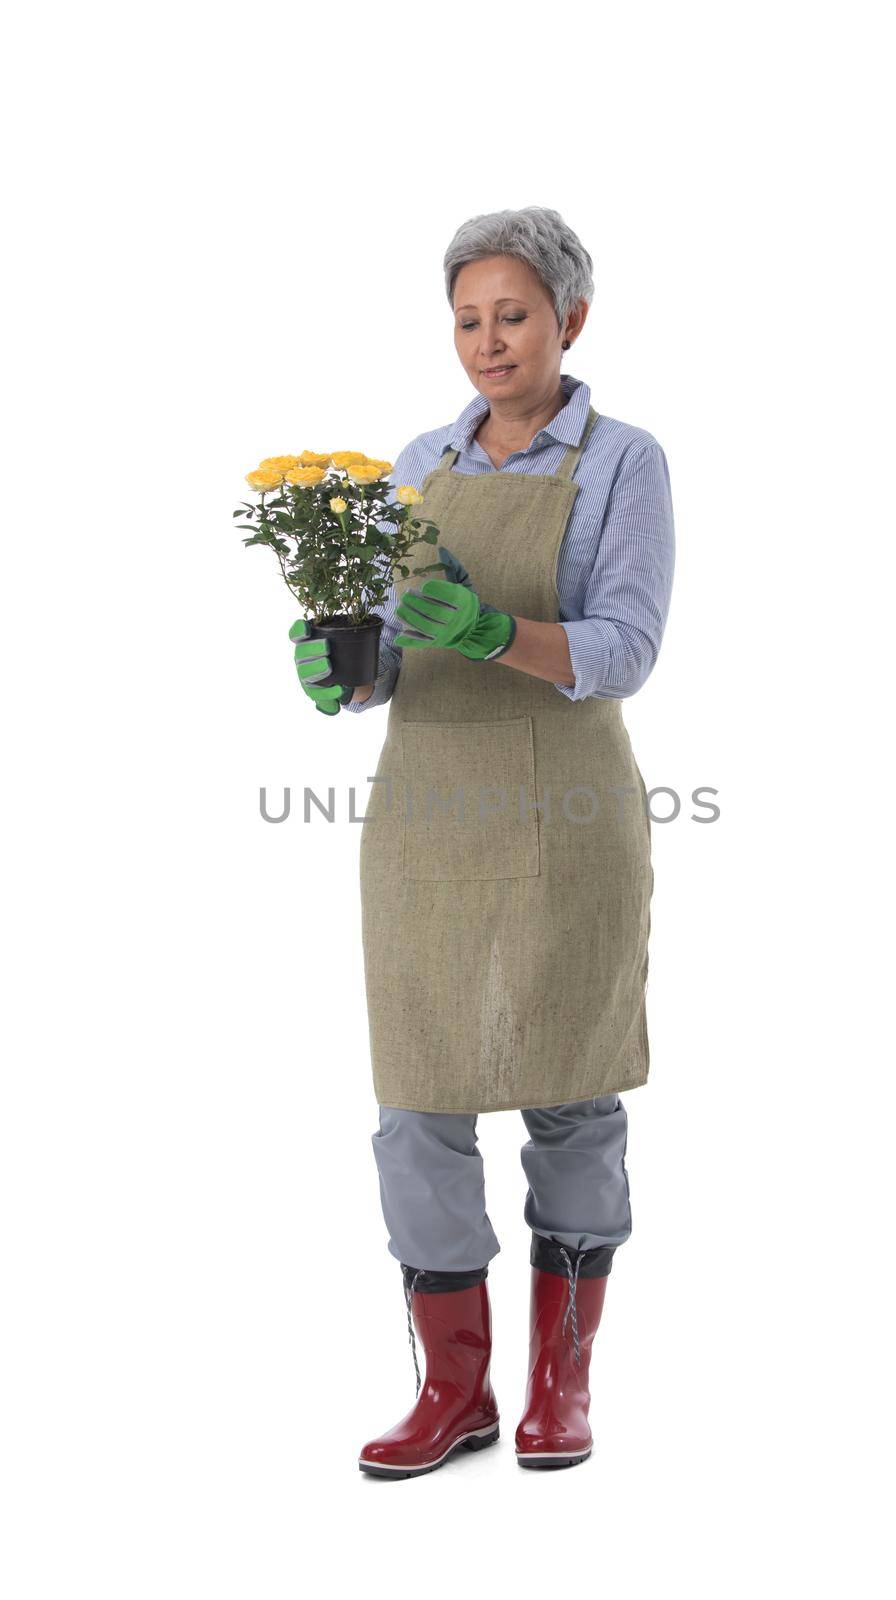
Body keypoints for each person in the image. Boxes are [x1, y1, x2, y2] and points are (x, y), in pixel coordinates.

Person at [291, 206, 675, 1478]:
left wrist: (491, 629)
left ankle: (558, 1386)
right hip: (425, 820)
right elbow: (397, 653)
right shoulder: (419, 458)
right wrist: (346, 672)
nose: (486, 341)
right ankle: (453, 1388)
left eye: (511, 314)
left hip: (568, 816)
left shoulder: (624, 460)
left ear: (569, 318)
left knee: (568, 1090)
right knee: (417, 1102)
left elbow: (625, 644)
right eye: (466, 318)